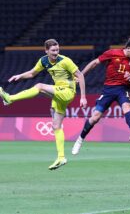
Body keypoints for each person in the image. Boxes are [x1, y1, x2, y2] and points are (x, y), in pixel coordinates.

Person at [0, 39, 87, 170]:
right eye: (53, 50)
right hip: (58, 93)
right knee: (56, 126)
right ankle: (61, 157)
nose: (56, 53)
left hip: (68, 92)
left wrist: (83, 97)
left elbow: (80, 76)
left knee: (40, 87)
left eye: (57, 50)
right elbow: (32, 73)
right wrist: (19, 76)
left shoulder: (65, 61)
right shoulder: (44, 61)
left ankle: (10, 99)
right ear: (46, 51)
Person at [71, 36, 130, 155]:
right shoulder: (113, 53)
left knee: (126, 108)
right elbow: (94, 63)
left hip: (124, 89)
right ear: (128, 48)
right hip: (108, 89)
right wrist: (81, 75)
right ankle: (79, 140)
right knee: (95, 117)